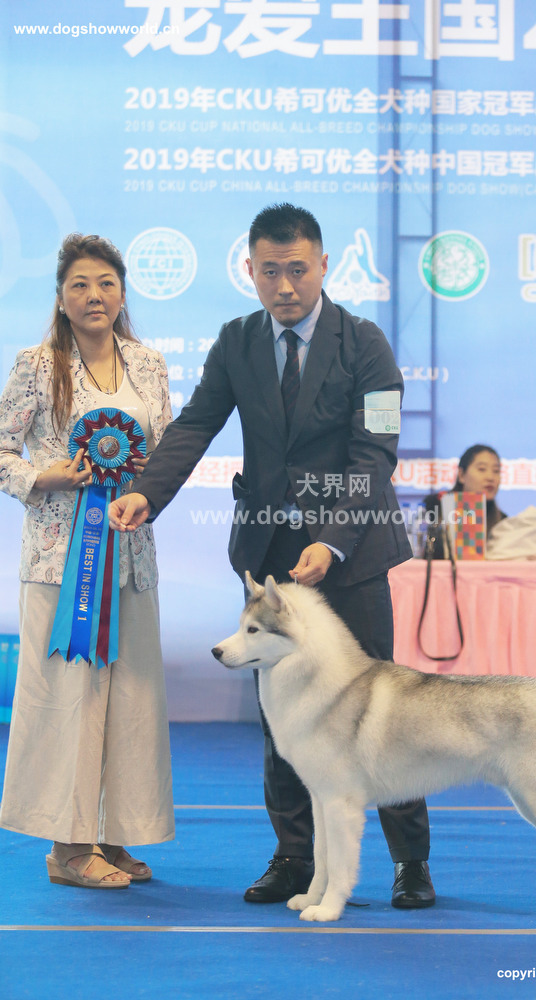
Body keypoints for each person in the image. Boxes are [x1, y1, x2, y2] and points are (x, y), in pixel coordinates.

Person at [108, 203, 435, 909]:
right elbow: (195, 425)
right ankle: (293, 856)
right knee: (281, 711)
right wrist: (144, 492)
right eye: (268, 271)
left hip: (352, 552)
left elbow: (374, 456)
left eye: (297, 269)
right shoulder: (237, 341)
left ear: (323, 266)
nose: (284, 286)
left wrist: (332, 539)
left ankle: (410, 861)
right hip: (270, 561)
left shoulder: (367, 344)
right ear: (249, 271)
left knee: (380, 707)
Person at [0, 234, 175, 888]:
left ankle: (115, 836)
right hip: (59, 562)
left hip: (132, 557)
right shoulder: (36, 365)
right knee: (67, 701)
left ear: (122, 293)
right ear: (60, 297)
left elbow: (164, 453)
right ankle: (68, 848)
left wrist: (144, 492)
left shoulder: (149, 364)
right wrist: (40, 477)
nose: (93, 295)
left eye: (105, 283)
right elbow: (1, 450)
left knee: (132, 700)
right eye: (79, 284)